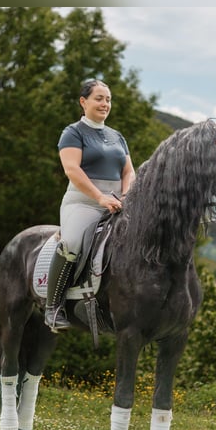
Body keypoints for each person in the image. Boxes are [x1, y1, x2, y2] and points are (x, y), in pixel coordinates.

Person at [45, 79, 136, 331]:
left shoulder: (117, 136)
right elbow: (72, 169)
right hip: (83, 203)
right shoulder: (72, 132)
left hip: (117, 204)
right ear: (83, 102)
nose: (105, 104)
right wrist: (100, 197)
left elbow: (128, 171)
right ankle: (53, 308)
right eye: (99, 98)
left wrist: (125, 195)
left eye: (108, 99)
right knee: (72, 242)